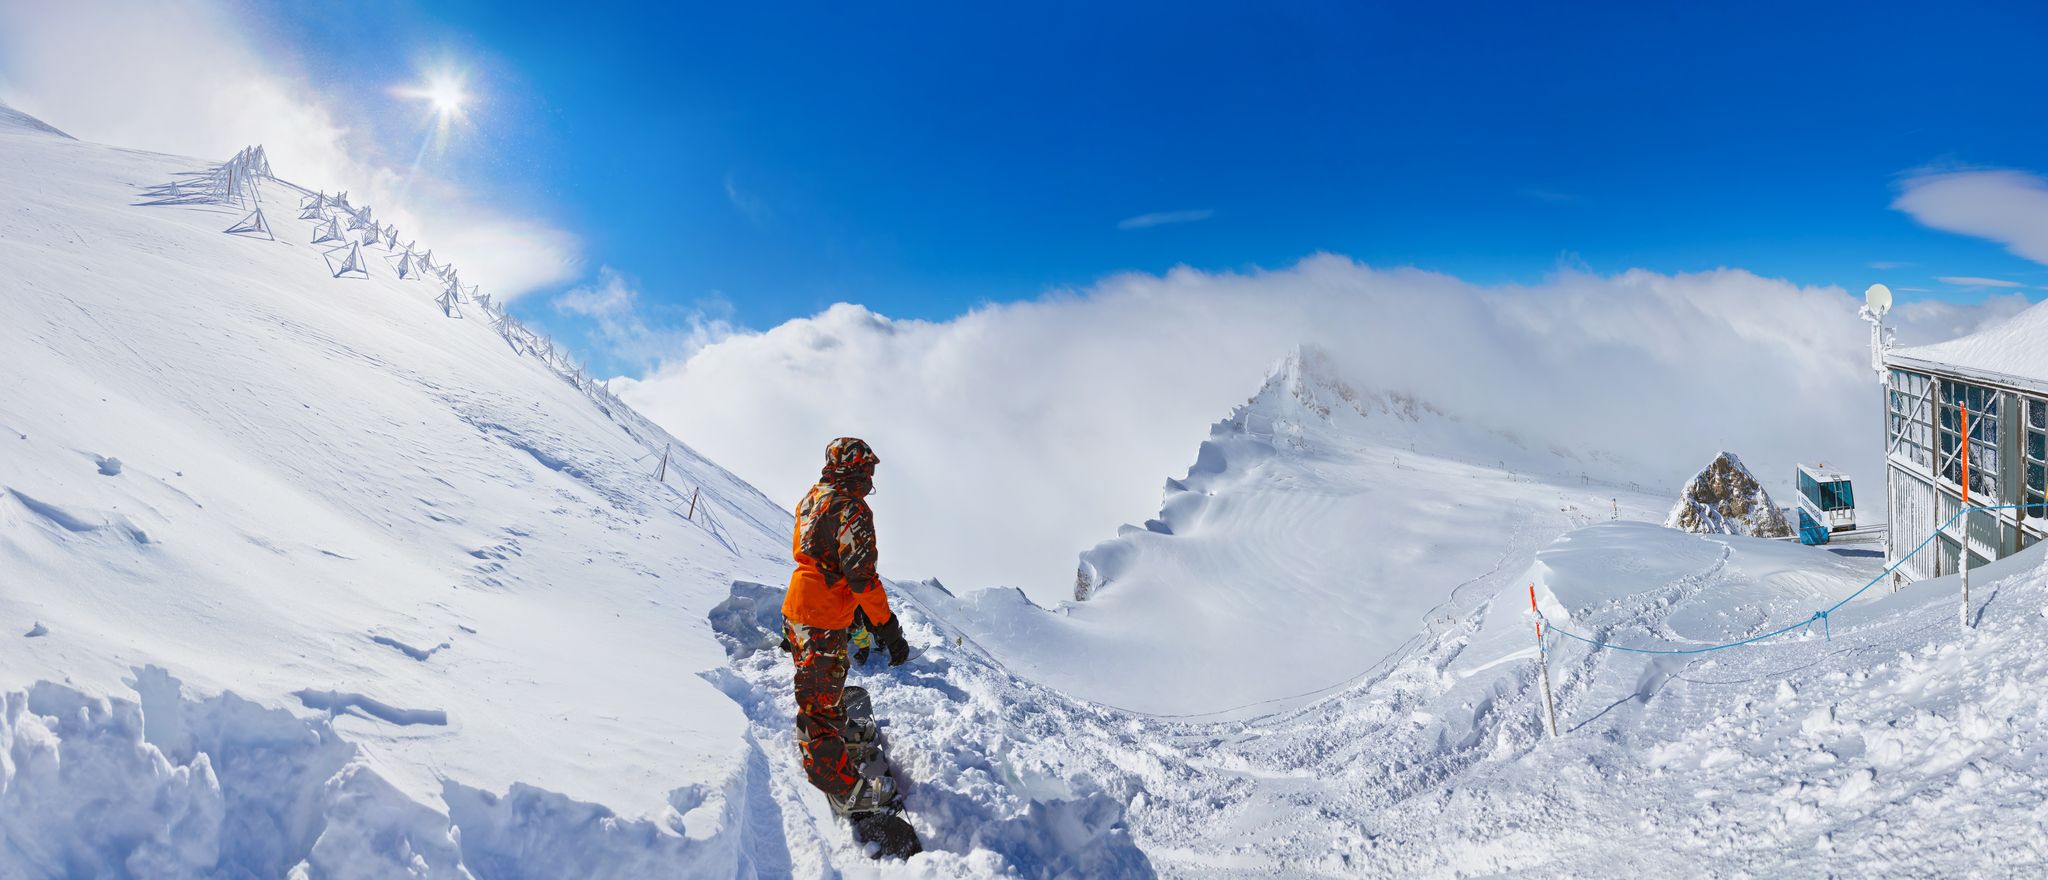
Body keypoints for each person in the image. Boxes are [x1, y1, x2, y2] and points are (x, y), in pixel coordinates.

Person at [781, 437, 911, 813]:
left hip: (801, 608)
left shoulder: (813, 496)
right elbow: (863, 578)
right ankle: (843, 788)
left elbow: (817, 556)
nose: (871, 480)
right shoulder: (852, 511)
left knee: (826, 682)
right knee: (818, 705)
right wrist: (887, 626)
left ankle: (835, 736)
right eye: (867, 471)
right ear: (852, 470)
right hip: (821, 616)